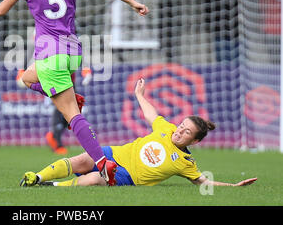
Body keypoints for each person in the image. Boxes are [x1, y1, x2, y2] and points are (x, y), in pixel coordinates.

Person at [0, 0, 149, 186]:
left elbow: (0, 11)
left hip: (50, 53)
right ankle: (72, 101)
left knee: (72, 115)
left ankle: (103, 164)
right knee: (26, 77)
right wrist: (132, 2)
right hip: (73, 51)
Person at [20, 78, 258, 187]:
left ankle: (50, 188)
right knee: (82, 159)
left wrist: (234, 187)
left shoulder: (185, 163)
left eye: (186, 133)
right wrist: (140, 96)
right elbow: (151, 115)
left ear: (194, 141)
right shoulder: (167, 129)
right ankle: (37, 178)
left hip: (128, 176)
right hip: (116, 153)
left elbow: (203, 181)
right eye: (181, 126)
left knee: (92, 179)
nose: (179, 132)